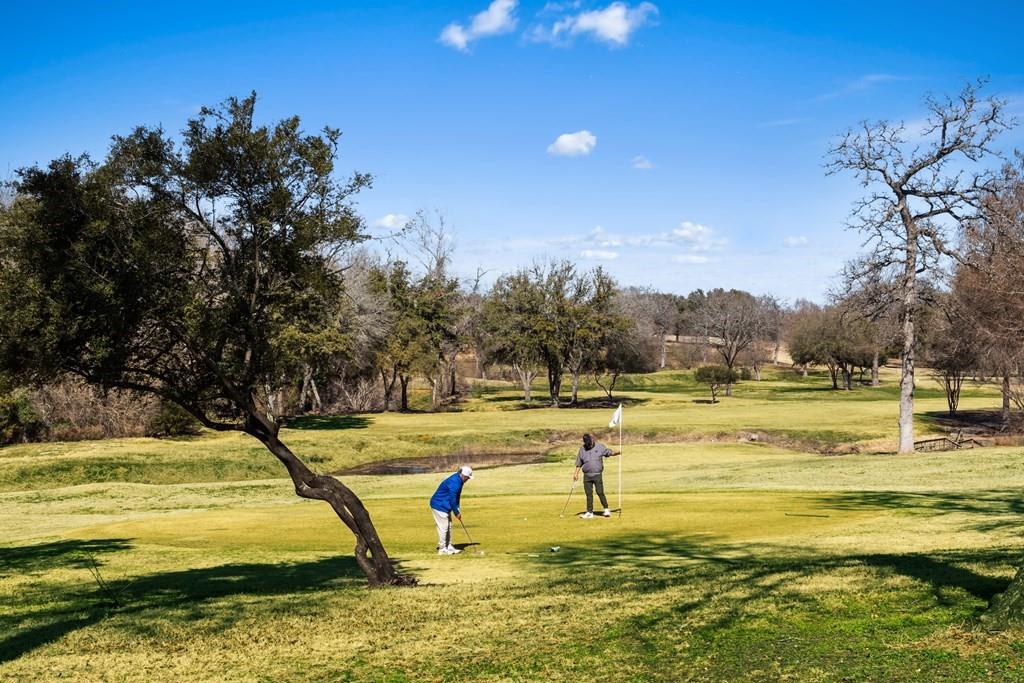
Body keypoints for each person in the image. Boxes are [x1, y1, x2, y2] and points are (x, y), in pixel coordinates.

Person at [429, 465, 473, 555]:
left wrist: (457, 509)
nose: (468, 480)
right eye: (468, 478)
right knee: (443, 527)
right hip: (439, 505)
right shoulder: (455, 482)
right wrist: (456, 512)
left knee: (448, 526)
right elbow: (452, 498)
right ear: (464, 476)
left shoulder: (459, 480)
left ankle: (449, 546)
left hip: (445, 505)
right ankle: (442, 549)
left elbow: (457, 496)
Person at [573, 433, 618, 518]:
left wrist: (618, 452)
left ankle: (606, 510)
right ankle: (589, 512)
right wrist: (576, 473)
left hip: (597, 475)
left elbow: (609, 452)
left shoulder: (599, 447)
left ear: (592, 440)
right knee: (588, 494)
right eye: (587, 444)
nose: (588, 445)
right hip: (587, 476)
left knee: (600, 492)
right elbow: (579, 463)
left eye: (589, 443)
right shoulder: (582, 449)